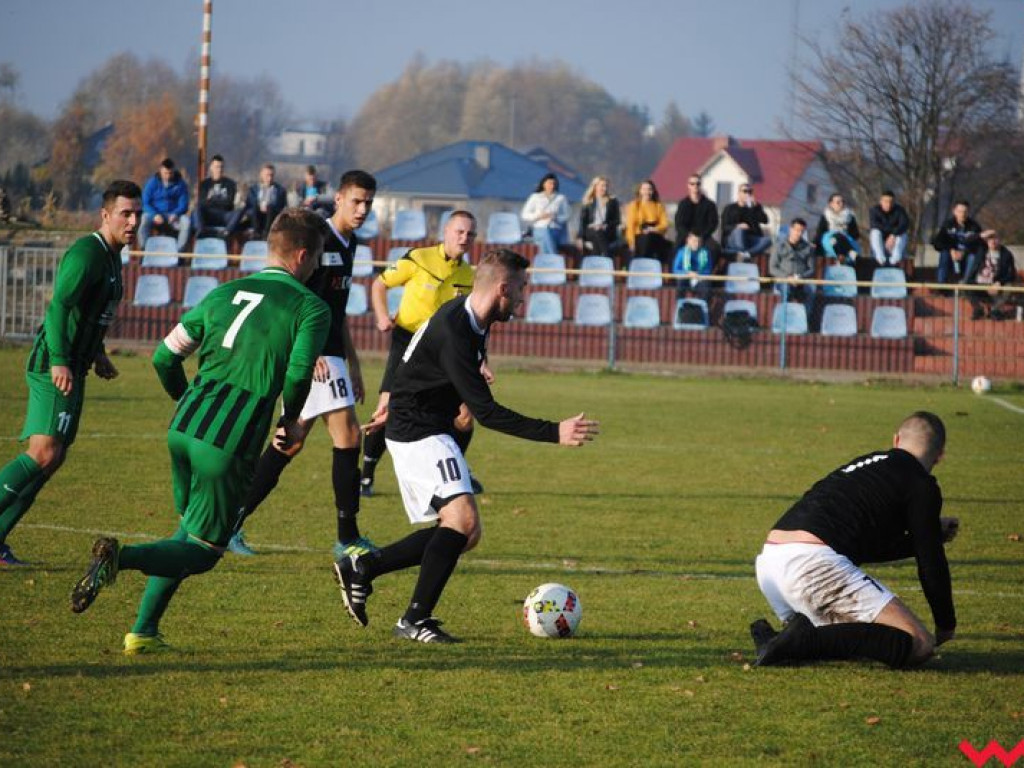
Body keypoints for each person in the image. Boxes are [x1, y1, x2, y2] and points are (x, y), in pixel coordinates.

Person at [69, 208, 330, 653]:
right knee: (205, 551)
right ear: (303, 255)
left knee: (186, 530)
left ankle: (143, 632)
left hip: (184, 427)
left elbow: (163, 358)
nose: (318, 266)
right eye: (318, 257)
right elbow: (299, 374)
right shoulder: (310, 307)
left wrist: (185, 400)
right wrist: (289, 420)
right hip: (229, 441)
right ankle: (118, 557)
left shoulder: (222, 293)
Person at [333, 249, 599, 643]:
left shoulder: (472, 317)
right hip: (418, 431)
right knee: (463, 522)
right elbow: (487, 413)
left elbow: (423, 359)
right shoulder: (458, 329)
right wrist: (553, 431)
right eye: (522, 290)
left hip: (424, 425)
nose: (524, 299)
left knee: (464, 533)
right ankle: (412, 618)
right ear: (503, 288)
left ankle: (365, 569)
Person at [231, 171, 375, 559]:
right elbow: (297, 300)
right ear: (340, 198)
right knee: (346, 437)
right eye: (357, 201)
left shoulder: (350, 242)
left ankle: (229, 520)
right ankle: (347, 538)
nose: (363, 209)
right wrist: (304, 355)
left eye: (368, 203)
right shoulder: (319, 238)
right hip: (317, 357)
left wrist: (355, 365)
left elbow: (337, 312)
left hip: (332, 357)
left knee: (289, 443)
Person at [0, 180, 140, 566]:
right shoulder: (87, 253)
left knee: (53, 457)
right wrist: (60, 358)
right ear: (106, 215)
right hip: (54, 364)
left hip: (76, 364)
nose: (133, 222)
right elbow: (59, 306)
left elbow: (91, 313)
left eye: (137, 215)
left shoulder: (113, 257)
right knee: (43, 452)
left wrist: (97, 354)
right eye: (125, 214)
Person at [751, 412, 957, 669]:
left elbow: (864, 546)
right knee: (919, 644)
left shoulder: (867, 464)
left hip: (771, 562)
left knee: (868, 641)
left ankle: (789, 639)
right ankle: (799, 642)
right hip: (811, 567)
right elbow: (931, 562)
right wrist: (945, 623)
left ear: (896, 440)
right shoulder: (921, 484)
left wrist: (925, 534)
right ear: (940, 455)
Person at [360, 211, 480, 499]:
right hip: (407, 341)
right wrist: (380, 316)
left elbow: (469, 321)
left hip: (443, 350)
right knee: (386, 408)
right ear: (446, 232)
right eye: (459, 232)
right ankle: (365, 475)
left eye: (470, 234)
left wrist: (481, 360)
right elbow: (379, 284)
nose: (464, 238)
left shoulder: (469, 275)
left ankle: (455, 471)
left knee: (464, 415)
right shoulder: (419, 258)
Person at [769, 218, 817, 319]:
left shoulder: (808, 248)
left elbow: (812, 269)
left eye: (801, 231)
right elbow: (772, 268)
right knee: (786, 290)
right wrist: (787, 277)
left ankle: (804, 319)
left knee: (812, 289)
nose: (798, 233)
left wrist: (800, 277)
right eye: (796, 230)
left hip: (801, 280)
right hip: (784, 280)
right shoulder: (779, 246)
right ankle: (784, 319)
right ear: (791, 229)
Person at [965, 229, 1018, 320]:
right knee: (964, 284)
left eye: (995, 239)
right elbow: (967, 242)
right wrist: (981, 235)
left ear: (1000, 240)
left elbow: (1012, 274)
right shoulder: (981, 249)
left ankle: (995, 310)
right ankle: (978, 309)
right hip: (978, 284)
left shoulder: (1006, 254)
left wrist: (999, 283)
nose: (992, 241)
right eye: (990, 239)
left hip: (994, 286)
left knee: (1009, 286)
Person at [139, 158, 190, 251]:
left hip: (174, 216)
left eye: (170, 173)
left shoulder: (180, 184)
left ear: (173, 171)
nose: (168, 176)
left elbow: (184, 204)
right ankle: (144, 250)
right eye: (165, 173)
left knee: (186, 221)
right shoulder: (152, 183)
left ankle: (180, 252)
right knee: (144, 219)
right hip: (155, 215)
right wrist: (154, 215)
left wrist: (176, 214)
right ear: (160, 171)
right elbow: (145, 202)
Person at [932, 200, 983, 285]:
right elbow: (937, 242)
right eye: (960, 211)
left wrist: (964, 252)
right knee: (944, 254)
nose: (962, 214)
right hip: (951, 255)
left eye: (965, 212)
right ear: (954, 211)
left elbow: (979, 244)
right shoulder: (947, 225)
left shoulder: (974, 226)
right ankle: (941, 285)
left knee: (973, 257)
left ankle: (966, 283)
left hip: (967, 255)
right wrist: (951, 250)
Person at [192, 154, 241, 238]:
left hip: (224, 215)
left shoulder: (230, 184)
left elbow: (229, 203)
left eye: (221, 167)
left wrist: (211, 199)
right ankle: (201, 232)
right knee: (196, 210)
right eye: (216, 167)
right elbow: (202, 203)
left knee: (239, 212)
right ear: (211, 167)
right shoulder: (205, 184)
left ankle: (226, 233)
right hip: (209, 215)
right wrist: (220, 200)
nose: (219, 170)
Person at [521, 173, 570, 255]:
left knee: (547, 235)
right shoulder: (535, 197)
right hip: (540, 228)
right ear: (543, 184)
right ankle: (553, 256)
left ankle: (548, 259)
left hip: (555, 229)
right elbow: (525, 215)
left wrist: (555, 217)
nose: (552, 186)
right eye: (549, 183)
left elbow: (567, 215)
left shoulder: (561, 198)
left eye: (554, 183)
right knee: (545, 233)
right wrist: (539, 216)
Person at [673, 174, 720, 258]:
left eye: (698, 184)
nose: (695, 186)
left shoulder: (710, 204)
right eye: (692, 183)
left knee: (715, 249)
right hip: (686, 236)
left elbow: (713, 224)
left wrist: (701, 237)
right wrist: (689, 236)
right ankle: (674, 271)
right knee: (675, 249)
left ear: (701, 185)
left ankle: (710, 270)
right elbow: (678, 224)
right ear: (688, 185)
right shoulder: (683, 204)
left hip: (704, 236)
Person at [624, 179, 670, 263]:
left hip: (655, 235)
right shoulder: (634, 205)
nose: (647, 192)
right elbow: (630, 226)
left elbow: (664, 224)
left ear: (653, 191)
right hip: (639, 237)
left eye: (649, 189)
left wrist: (654, 229)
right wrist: (631, 242)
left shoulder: (658, 206)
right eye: (644, 189)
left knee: (670, 247)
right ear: (640, 191)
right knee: (645, 241)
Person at [577, 175, 622, 260]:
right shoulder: (588, 201)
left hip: (607, 231)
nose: (604, 188)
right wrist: (580, 237)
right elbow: (582, 221)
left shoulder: (612, 201)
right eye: (602, 186)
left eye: (606, 186)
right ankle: (607, 257)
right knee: (597, 231)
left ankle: (597, 263)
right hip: (591, 230)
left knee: (598, 236)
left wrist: (605, 225)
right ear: (595, 187)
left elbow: (617, 220)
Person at [720, 184, 771, 260]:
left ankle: (746, 254)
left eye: (750, 192)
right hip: (733, 238)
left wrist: (755, 207)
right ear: (739, 193)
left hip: (750, 239)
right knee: (740, 231)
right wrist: (738, 226)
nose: (747, 194)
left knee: (768, 240)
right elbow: (724, 227)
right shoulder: (730, 208)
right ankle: (743, 253)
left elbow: (765, 220)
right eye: (745, 191)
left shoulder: (754, 207)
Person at [241, 163, 288, 240]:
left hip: (272, 214)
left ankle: (266, 234)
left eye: (271, 175)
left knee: (270, 207)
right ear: (261, 175)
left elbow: (282, 206)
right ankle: (256, 233)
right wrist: (260, 206)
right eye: (267, 175)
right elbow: (249, 203)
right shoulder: (253, 189)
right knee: (255, 208)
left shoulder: (280, 191)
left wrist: (268, 206)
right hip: (256, 214)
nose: (269, 178)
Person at [813, 193, 861, 265]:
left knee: (839, 237)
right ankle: (849, 252)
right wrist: (815, 244)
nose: (841, 204)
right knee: (835, 237)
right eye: (838, 202)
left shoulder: (849, 216)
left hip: (846, 240)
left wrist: (845, 236)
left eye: (842, 202)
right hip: (830, 241)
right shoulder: (826, 216)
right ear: (831, 204)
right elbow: (820, 232)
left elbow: (855, 234)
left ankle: (841, 257)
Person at [868, 190, 910, 268]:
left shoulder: (899, 210)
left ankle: (895, 258)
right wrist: (891, 233)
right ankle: (880, 258)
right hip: (882, 238)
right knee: (875, 232)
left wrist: (893, 235)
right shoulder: (874, 210)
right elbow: (874, 225)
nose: (888, 204)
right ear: (881, 201)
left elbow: (904, 224)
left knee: (903, 234)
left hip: (895, 240)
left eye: (891, 202)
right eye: (886, 201)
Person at [671, 232, 714, 301]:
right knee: (680, 282)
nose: (696, 243)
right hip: (686, 278)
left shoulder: (705, 253)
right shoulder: (682, 252)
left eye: (698, 241)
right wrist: (688, 274)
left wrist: (698, 275)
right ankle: (680, 306)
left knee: (706, 285)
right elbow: (676, 269)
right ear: (688, 241)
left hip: (699, 278)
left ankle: (704, 307)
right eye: (694, 241)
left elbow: (708, 270)